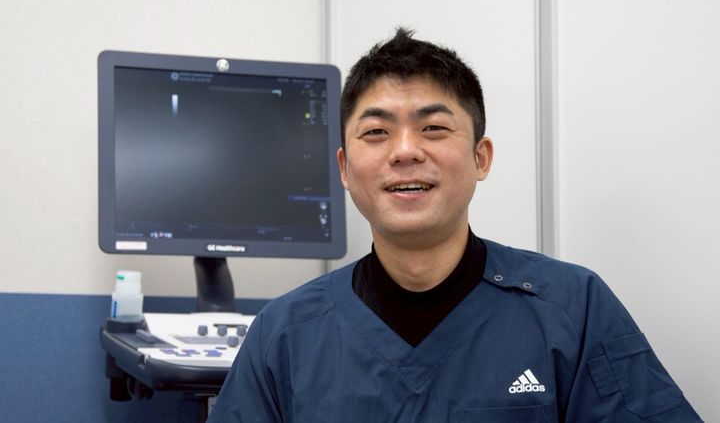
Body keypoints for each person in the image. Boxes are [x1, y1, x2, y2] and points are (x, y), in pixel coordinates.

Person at [208, 29, 702, 422]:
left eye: (434, 128)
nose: (405, 151)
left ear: (480, 157)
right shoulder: (284, 334)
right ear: (343, 168)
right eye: (376, 132)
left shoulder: (574, 308)